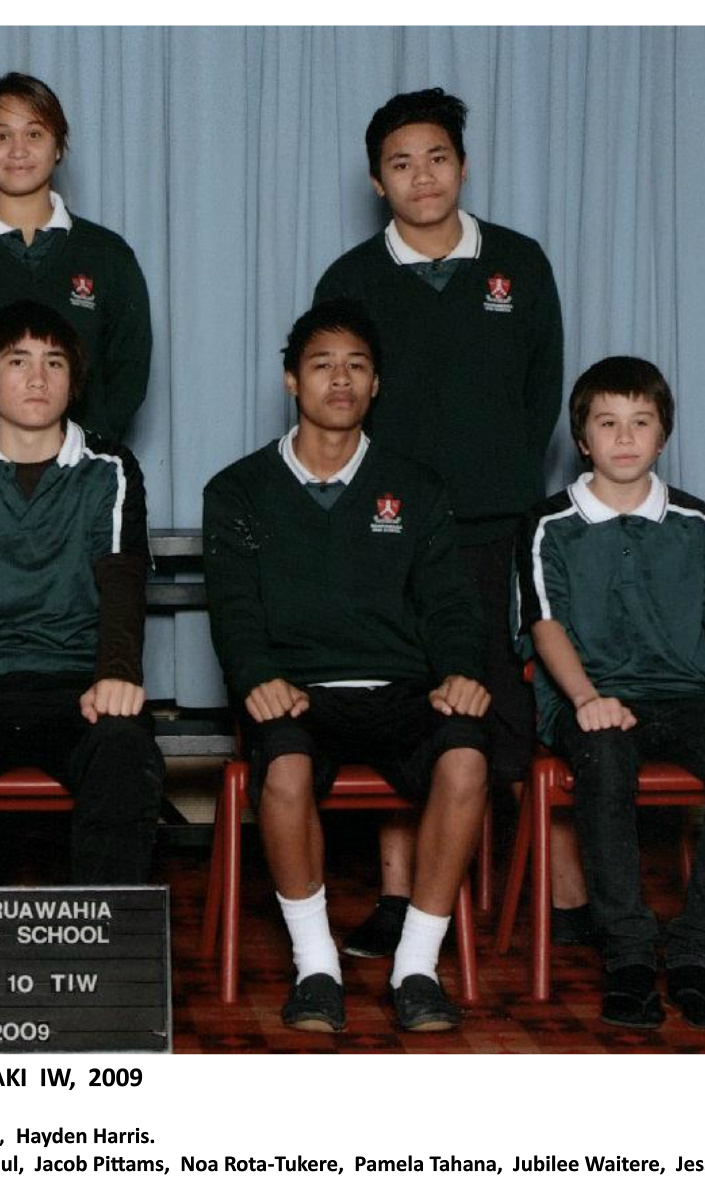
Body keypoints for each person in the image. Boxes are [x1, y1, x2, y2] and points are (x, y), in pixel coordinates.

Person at [314, 86, 590, 954]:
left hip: (499, 520)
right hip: (389, 528)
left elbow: (542, 391)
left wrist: (500, 475)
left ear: (463, 167)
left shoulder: (519, 262)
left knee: (513, 696)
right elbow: (337, 403)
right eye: (401, 164)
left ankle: (562, 894)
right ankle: (400, 897)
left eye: (437, 158)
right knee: (406, 696)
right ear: (377, 181)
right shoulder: (351, 280)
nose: (422, 176)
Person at [203, 299, 490, 1034]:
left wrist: (460, 668)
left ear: (376, 384)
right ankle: (317, 968)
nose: (340, 380)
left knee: (466, 761)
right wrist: (256, 675)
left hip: (403, 691)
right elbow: (234, 609)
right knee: (285, 771)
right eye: (322, 365)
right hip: (299, 695)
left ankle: (416, 966)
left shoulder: (416, 486)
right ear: (291, 380)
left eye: (356, 366)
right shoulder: (237, 489)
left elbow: (451, 605)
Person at [513, 356, 705, 1029]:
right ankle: (628, 954)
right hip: (594, 700)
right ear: (583, 440)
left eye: (640, 422)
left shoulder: (697, 522)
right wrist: (584, 698)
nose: (625, 437)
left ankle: (694, 952)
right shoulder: (549, 525)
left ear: (662, 436)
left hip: (688, 698)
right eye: (608, 423)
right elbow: (545, 624)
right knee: (604, 755)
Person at [0, 299, 162, 883]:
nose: (37, 378)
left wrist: (116, 672)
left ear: (74, 382)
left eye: (54, 362)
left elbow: (122, 577)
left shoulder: (109, 467)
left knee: (123, 747)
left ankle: (104, 933)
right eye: (17, 361)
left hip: (76, 684)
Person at [0, 72, 151, 441]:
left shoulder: (108, 255)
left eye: (34, 134)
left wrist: (84, 452)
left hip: (82, 465)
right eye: (2, 136)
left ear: (58, 146)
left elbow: (128, 374)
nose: (18, 150)